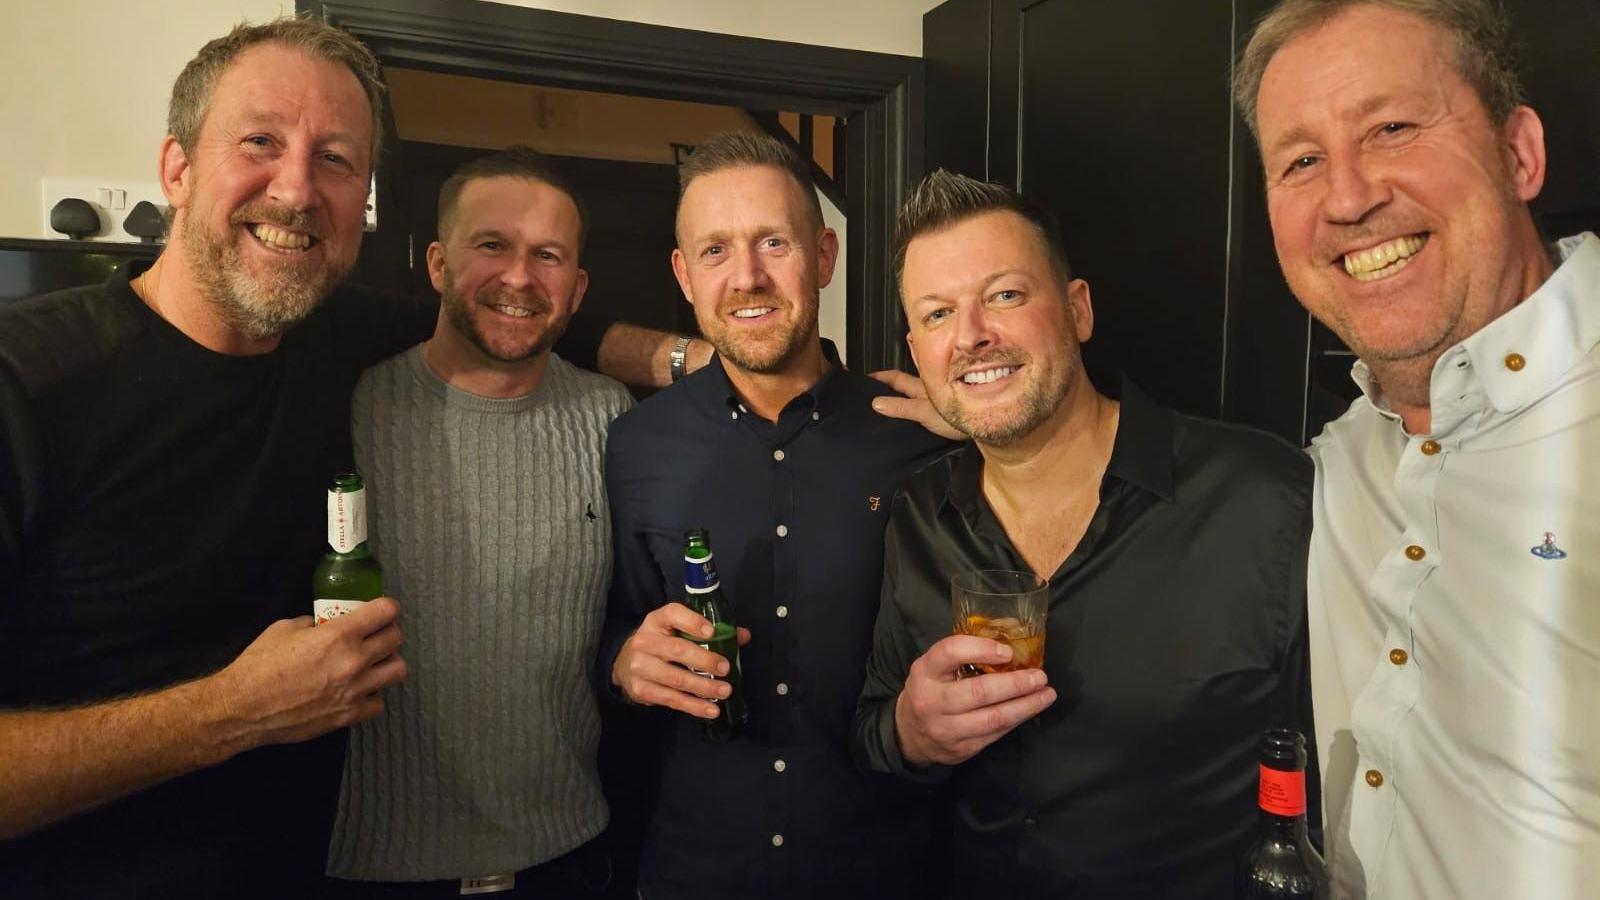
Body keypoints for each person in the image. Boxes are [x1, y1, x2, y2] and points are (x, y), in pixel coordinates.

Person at [0, 18, 696, 899]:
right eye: (260, 141)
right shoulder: (26, 380)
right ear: (176, 168)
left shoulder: (330, 342)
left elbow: (523, 323)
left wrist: (704, 359)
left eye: (335, 159)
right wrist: (229, 714)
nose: (296, 191)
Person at [853, 170, 1315, 898]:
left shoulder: (1264, 496)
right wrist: (910, 731)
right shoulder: (917, 513)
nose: (972, 336)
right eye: (938, 315)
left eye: (1005, 295)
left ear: (1078, 310)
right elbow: (876, 727)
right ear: (917, 350)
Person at [1233, 1, 1600, 896]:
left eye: (1393, 127)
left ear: (1519, 153)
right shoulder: (1339, 456)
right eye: (1302, 161)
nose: (1350, 197)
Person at [599, 132, 951, 900]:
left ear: (824, 257)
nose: (748, 277)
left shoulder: (915, 437)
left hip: (881, 866)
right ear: (684, 277)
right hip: (696, 866)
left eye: (772, 242)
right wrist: (627, 661)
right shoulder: (634, 445)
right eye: (716, 251)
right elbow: (613, 622)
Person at [324, 147, 631, 897]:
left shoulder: (610, 417)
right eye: (491, 245)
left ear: (578, 285)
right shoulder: (351, 408)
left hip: (570, 852)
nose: (520, 278)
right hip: (374, 864)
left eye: (548, 255)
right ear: (436, 262)